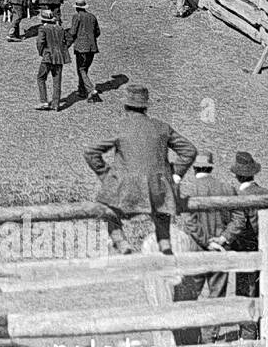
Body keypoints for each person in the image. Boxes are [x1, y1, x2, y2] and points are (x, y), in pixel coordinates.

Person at [83, 85, 198, 255]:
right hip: (159, 188)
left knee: (105, 210)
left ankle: (122, 244)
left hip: (127, 189)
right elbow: (190, 150)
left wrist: (106, 175)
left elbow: (90, 152)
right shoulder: (162, 127)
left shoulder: (121, 127)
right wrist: (174, 174)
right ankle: (165, 245)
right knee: (162, 211)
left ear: (125, 106)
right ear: (145, 107)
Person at [208, 152, 268, 341]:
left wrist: (223, 238)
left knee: (246, 292)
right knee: (266, 288)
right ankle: (267, 330)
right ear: (253, 173)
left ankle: (248, 335)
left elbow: (237, 224)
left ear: (238, 175)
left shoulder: (239, 196)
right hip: (267, 247)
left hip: (246, 249)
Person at [173, 150, 239, 344]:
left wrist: (206, 241)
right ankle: (210, 337)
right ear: (211, 167)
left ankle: (190, 338)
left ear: (194, 168)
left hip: (196, 251)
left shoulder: (188, 190)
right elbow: (238, 218)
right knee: (217, 294)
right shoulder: (227, 188)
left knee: (190, 294)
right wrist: (222, 239)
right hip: (220, 250)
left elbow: (190, 223)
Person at [66, 0, 102, 103]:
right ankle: (81, 90)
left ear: (77, 8)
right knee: (84, 69)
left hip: (81, 48)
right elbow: (97, 32)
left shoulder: (76, 17)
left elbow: (73, 32)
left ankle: (90, 89)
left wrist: (67, 43)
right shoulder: (92, 17)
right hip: (92, 47)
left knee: (81, 69)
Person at [34, 8, 70, 112]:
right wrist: (62, 49)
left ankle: (44, 101)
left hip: (48, 56)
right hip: (59, 57)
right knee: (57, 80)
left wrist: (42, 52)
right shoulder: (60, 28)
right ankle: (56, 104)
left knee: (41, 78)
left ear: (42, 20)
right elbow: (68, 39)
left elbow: (40, 42)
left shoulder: (43, 29)